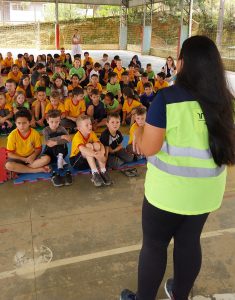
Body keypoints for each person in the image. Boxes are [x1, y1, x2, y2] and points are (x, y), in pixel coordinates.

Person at [120, 35, 235, 300]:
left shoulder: (167, 99)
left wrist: (137, 129)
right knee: (189, 242)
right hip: (206, 194)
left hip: (167, 194)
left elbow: (148, 148)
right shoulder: (225, 102)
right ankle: (179, 294)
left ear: (182, 62)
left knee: (154, 245)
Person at [70, 115, 112, 187]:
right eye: (86, 125)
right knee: (88, 146)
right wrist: (97, 155)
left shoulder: (91, 133)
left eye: (90, 124)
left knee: (96, 145)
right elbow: (83, 149)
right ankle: (95, 173)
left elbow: (100, 145)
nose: (90, 126)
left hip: (89, 161)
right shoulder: (77, 137)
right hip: (76, 162)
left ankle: (103, 171)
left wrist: (102, 153)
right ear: (79, 128)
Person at [5, 109, 51, 174]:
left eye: (24, 123)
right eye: (19, 123)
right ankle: (37, 170)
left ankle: (21, 169)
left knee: (47, 159)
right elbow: (10, 154)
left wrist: (34, 155)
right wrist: (23, 159)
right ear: (15, 123)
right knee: (8, 165)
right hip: (18, 158)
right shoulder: (12, 135)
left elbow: (38, 149)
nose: (21, 126)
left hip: (32, 157)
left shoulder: (35, 133)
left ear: (29, 122)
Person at [43, 109, 72, 187]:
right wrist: (61, 137)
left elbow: (69, 139)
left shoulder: (62, 128)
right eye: (52, 122)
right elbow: (48, 142)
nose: (54, 124)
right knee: (53, 142)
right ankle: (60, 159)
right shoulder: (46, 130)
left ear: (60, 121)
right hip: (50, 153)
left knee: (58, 143)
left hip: (62, 152)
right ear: (47, 121)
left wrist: (56, 142)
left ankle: (60, 159)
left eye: (57, 122)